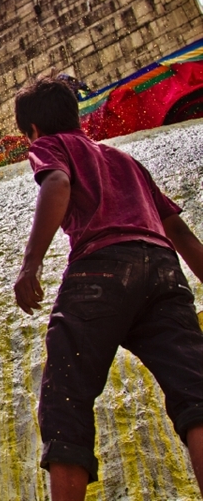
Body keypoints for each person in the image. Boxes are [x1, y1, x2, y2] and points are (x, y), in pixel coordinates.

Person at [11, 76, 203, 500]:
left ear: (34, 132)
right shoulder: (126, 161)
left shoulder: (51, 146)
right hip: (163, 272)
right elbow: (180, 233)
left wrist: (31, 264)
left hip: (100, 271)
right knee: (196, 394)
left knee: (66, 396)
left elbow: (58, 185)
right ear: (76, 117)